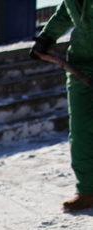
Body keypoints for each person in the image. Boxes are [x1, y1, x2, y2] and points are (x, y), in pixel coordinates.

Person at [31, 0, 93, 212]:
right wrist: (47, 37)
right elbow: (66, 11)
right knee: (80, 129)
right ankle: (87, 191)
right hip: (80, 64)